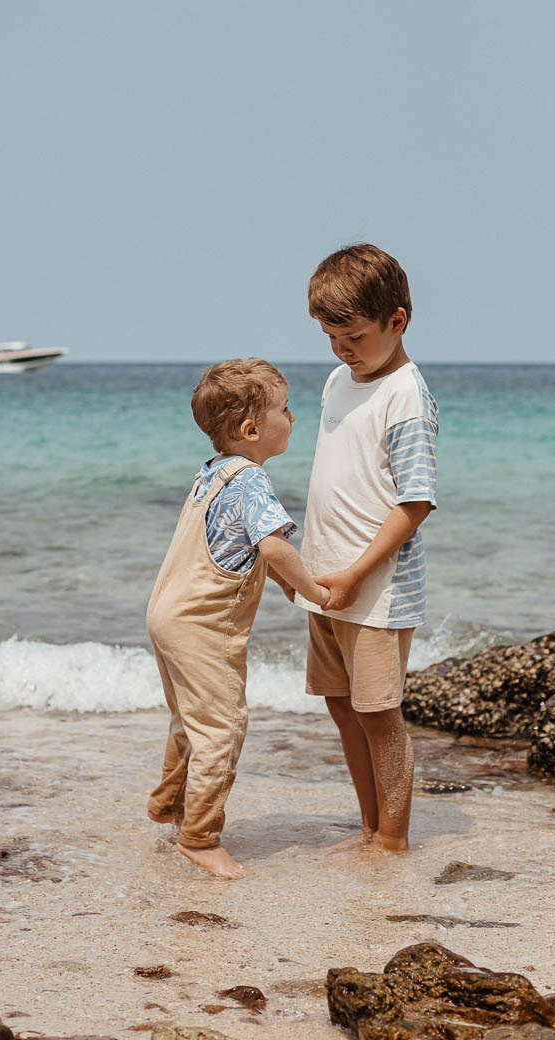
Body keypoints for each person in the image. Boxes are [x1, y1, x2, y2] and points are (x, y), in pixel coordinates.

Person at [146, 358, 329, 879]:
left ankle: (167, 803)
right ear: (252, 430)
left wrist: (287, 589)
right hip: (204, 627)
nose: (293, 418)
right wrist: (313, 588)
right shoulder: (252, 482)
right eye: (285, 410)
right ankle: (200, 837)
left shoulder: (212, 475)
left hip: (167, 613)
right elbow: (272, 547)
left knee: (189, 719)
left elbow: (239, 549)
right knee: (222, 728)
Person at [295, 244, 438, 854]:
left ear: (396, 320)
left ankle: (395, 839)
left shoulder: (406, 396)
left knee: (379, 713)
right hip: (326, 581)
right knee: (340, 704)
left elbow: (415, 502)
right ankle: (368, 827)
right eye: (331, 337)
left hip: (374, 590)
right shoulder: (337, 381)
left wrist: (356, 572)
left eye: (353, 335)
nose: (341, 350)